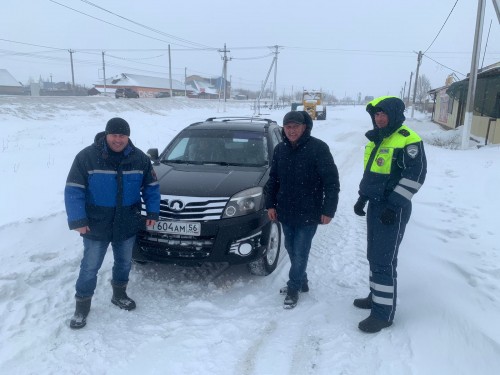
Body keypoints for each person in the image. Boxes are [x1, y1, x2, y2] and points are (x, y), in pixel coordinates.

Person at [64, 117, 160, 329]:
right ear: (106, 135)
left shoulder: (140, 159)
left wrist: (153, 211)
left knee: (124, 262)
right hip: (96, 222)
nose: (118, 139)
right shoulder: (87, 157)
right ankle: (82, 307)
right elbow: (73, 189)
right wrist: (78, 219)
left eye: (122, 135)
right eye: (114, 135)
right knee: (90, 266)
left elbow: (151, 187)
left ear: (128, 136)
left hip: (127, 220)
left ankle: (119, 294)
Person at [353, 96, 427, 333]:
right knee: (374, 256)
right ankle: (376, 296)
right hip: (376, 206)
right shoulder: (378, 138)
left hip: (393, 209)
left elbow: (415, 177)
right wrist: (362, 197)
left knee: (384, 259)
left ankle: (383, 314)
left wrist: (393, 206)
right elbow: (372, 173)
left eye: (383, 114)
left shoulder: (408, 140)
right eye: (376, 114)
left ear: (394, 114)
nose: (379, 118)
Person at [265, 110, 340, 309]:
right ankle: (302, 282)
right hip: (286, 210)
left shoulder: (318, 148)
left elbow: (331, 182)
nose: (291, 131)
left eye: (295, 127)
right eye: (288, 127)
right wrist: (270, 204)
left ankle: (293, 286)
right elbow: (274, 179)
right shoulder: (280, 149)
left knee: (300, 251)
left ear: (304, 127)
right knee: (290, 248)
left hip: (309, 210)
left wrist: (328, 210)